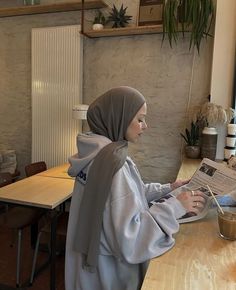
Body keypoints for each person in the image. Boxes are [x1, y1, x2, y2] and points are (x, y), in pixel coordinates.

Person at [65, 86, 206, 290]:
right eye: (140, 119)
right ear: (119, 118)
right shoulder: (112, 163)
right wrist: (176, 207)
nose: (145, 126)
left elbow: (128, 196)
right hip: (110, 272)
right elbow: (131, 238)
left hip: (90, 263)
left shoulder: (99, 154)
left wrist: (169, 188)